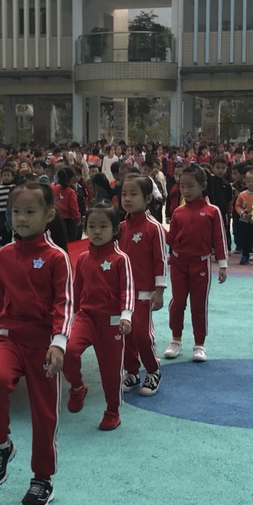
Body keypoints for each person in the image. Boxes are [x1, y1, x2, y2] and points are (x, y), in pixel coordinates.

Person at [0, 182, 75, 505]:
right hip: (11, 338)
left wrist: (59, 342)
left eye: (30, 211)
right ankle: (0, 445)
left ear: (48, 215)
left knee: (44, 413)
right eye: (15, 211)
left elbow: (65, 303)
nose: (20, 218)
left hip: (45, 345)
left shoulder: (56, 258)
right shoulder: (4, 255)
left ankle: (42, 479)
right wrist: (2, 334)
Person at [63, 204, 134, 432]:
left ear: (115, 230)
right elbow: (76, 289)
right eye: (92, 226)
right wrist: (70, 317)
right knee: (68, 351)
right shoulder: (83, 258)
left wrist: (126, 315)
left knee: (111, 372)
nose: (96, 231)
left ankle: (112, 411)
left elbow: (127, 289)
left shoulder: (121, 259)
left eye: (103, 226)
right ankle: (77, 387)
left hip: (112, 324)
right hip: (85, 318)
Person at [164, 164, 227, 363]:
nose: (186, 190)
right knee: (178, 302)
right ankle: (176, 339)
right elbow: (171, 238)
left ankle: (199, 344)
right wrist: (157, 231)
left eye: (190, 186)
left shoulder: (212, 211)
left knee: (198, 305)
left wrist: (223, 264)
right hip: (178, 263)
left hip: (201, 264)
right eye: (182, 186)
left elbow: (219, 238)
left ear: (203, 186)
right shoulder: (178, 212)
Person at [118, 175, 167, 397]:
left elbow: (160, 261)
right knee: (124, 334)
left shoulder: (154, 228)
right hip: (122, 294)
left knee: (142, 336)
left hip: (145, 293)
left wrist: (159, 291)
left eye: (133, 194)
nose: (127, 199)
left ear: (147, 198)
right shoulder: (119, 228)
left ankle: (153, 370)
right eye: (124, 194)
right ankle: (132, 371)